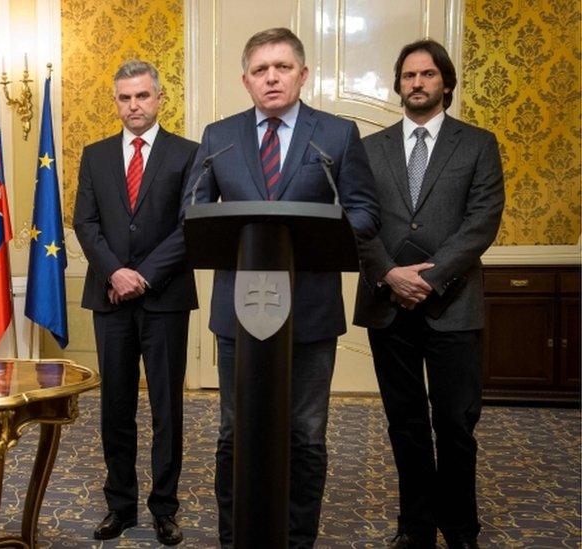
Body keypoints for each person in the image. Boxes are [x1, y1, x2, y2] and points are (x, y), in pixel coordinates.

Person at [185, 28, 380, 548]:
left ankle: (297, 540)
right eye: (260, 70)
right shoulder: (218, 136)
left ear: (303, 74)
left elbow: (364, 211)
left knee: (304, 435)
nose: (271, 77)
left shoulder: (336, 135)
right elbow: (193, 211)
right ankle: (236, 538)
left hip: (311, 313)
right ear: (245, 80)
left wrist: (319, 231)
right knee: (234, 433)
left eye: (283, 67)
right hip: (238, 314)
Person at [353, 39, 504, 549]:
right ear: (398, 84)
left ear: (446, 83)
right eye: (408, 75)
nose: (417, 83)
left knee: (456, 425)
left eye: (427, 74)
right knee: (406, 424)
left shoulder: (479, 144)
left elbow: (481, 221)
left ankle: (460, 529)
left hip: (453, 305)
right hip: (387, 305)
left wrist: (429, 278)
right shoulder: (368, 150)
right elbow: (356, 221)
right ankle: (414, 527)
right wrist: (390, 274)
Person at [73, 60, 199, 546]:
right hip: (109, 298)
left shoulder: (188, 154)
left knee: (167, 408)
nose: (134, 106)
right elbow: (86, 224)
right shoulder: (96, 155)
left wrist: (142, 276)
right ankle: (120, 505)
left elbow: (190, 225)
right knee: (115, 406)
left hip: (164, 299)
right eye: (125, 98)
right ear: (116, 102)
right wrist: (116, 272)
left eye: (142, 96)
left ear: (160, 97)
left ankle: (165, 507)